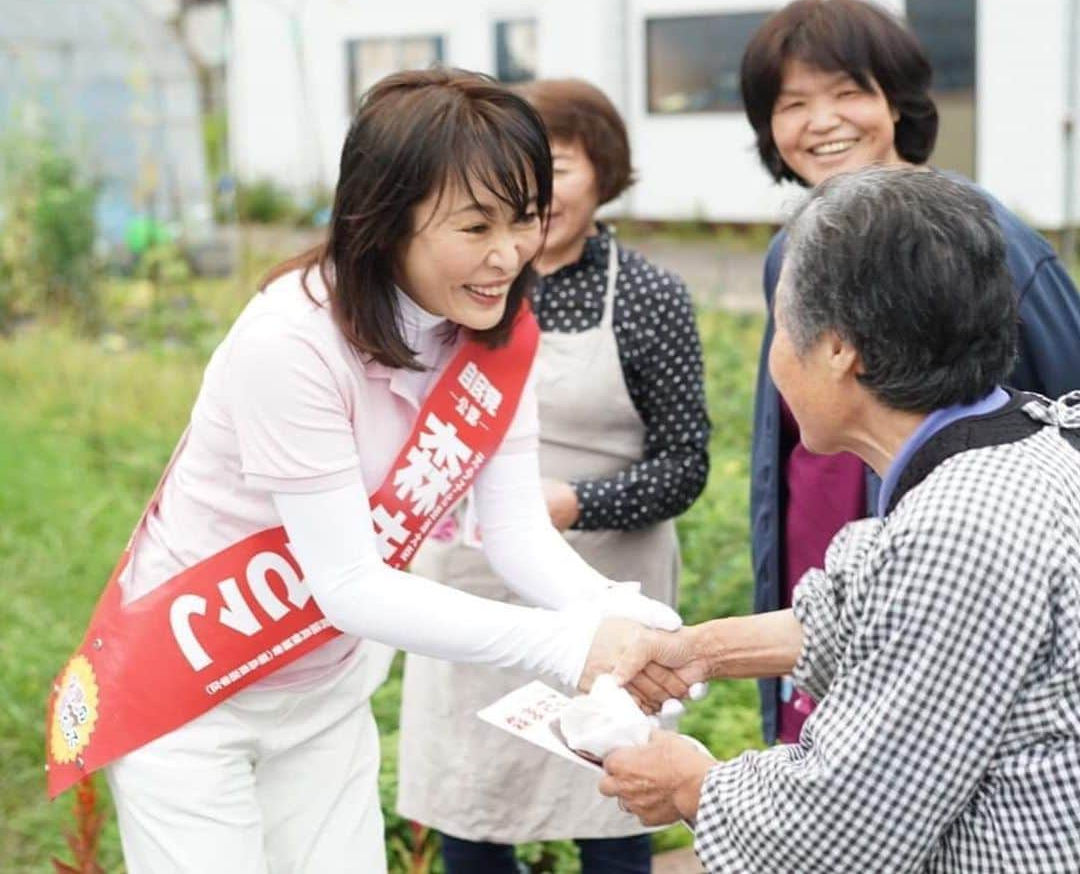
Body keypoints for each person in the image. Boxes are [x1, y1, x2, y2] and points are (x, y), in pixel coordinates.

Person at [45, 69, 691, 874]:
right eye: (474, 225)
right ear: (384, 221)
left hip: (325, 694)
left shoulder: (495, 325)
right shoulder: (290, 343)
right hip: (196, 693)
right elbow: (348, 582)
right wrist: (569, 646)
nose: (507, 254)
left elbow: (515, 530)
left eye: (523, 220)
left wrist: (618, 619)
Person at [600, 167, 1080, 872]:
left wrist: (690, 785)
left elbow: (852, 818)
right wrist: (697, 651)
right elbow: (856, 612)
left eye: (782, 324)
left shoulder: (961, 526)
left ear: (836, 348)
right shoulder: (1012, 443)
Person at [739, 0, 1080, 743]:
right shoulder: (787, 252)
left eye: (848, 91)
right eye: (792, 102)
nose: (821, 121)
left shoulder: (982, 234)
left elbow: (1071, 407)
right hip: (822, 560)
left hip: (955, 590)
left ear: (897, 101)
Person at [397, 78, 711, 873]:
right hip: (465, 589)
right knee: (472, 811)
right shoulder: (454, 289)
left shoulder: (646, 296)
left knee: (613, 807)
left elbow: (685, 465)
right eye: (511, 180)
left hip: (601, 588)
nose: (535, 199)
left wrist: (572, 504)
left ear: (605, 172)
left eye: (558, 168)